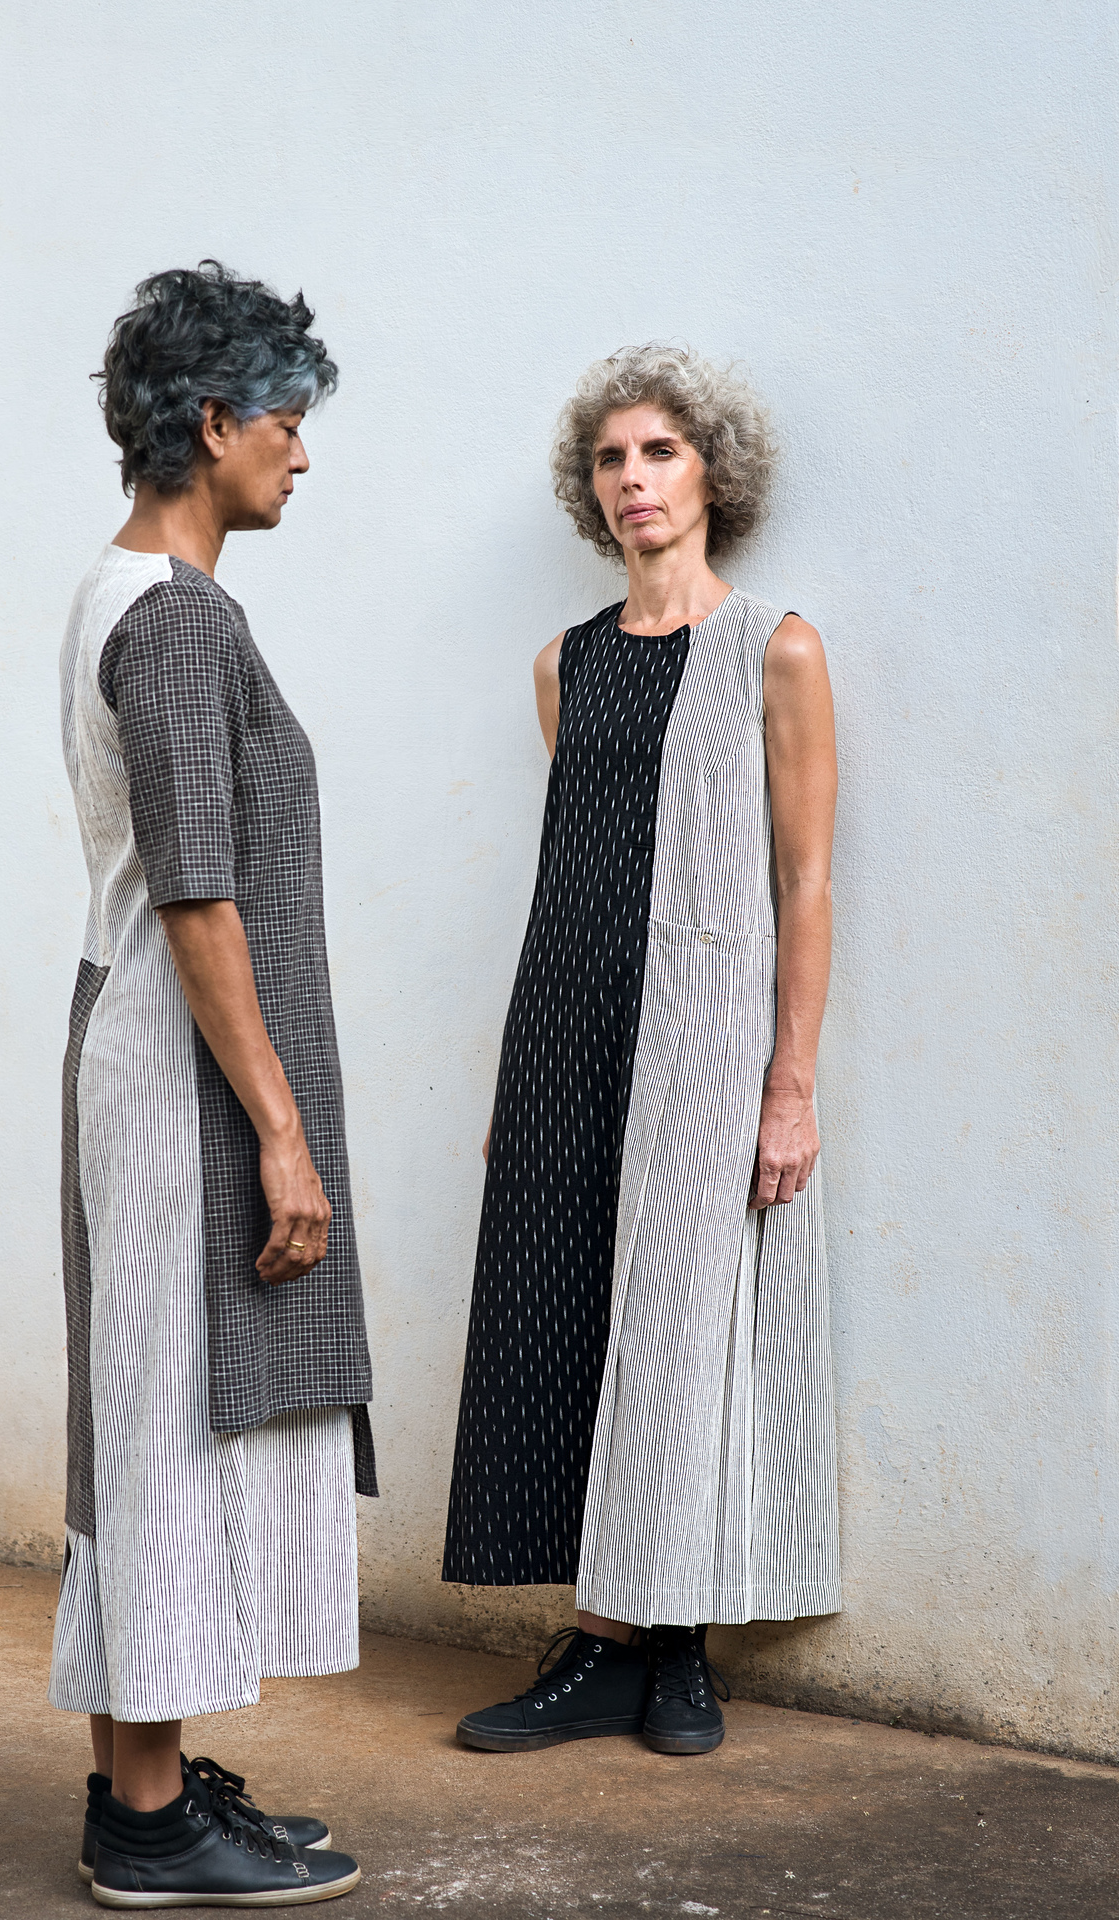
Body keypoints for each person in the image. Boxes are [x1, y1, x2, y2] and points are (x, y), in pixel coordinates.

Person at [444, 345, 840, 1757]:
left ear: (712, 473)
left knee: (681, 1320)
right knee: (566, 1315)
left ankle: (672, 1647)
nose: (633, 480)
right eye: (610, 458)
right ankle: (613, 1643)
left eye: (659, 451)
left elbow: (805, 879)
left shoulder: (777, 650)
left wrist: (789, 1084)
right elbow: (572, 866)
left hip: (705, 1036)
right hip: (567, 1025)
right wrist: (519, 1074)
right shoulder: (564, 665)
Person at [50, 261, 374, 1906]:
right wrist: (282, 1135)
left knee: (149, 1420)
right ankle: (148, 1820)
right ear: (212, 421)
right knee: (169, 1433)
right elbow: (197, 897)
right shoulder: (175, 621)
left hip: (144, 1055)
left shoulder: (124, 593)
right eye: (287, 423)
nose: (301, 455)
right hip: (183, 1083)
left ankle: (150, 1784)